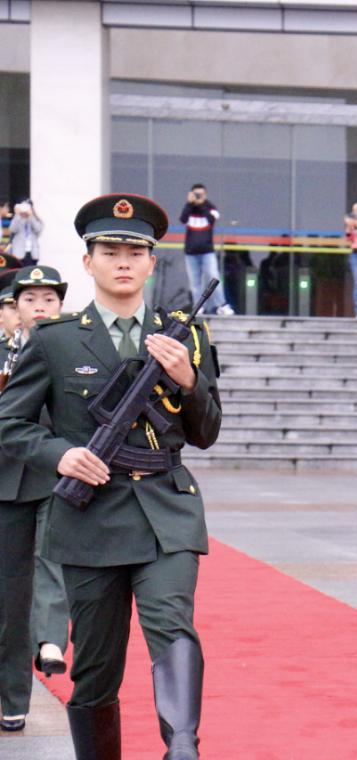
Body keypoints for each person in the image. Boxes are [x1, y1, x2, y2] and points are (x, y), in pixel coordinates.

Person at [0, 193, 222, 758]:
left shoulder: (186, 336)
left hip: (166, 511)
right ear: (88, 262)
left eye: (135, 252)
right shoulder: (54, 340)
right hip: (89, 519)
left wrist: (189, 381)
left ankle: (182, 746)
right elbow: (10, 424)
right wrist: (59, 455)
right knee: (96, 669)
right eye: (110, 251)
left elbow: (206, 432)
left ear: (151, 263)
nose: (123, 262)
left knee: (172, 625)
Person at [0, 266, 71, 734]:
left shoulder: (72, 350)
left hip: (54, 476)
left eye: (49, 299)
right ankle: (11, 698)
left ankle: (50, 642)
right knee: (10, 594)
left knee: (50, 561)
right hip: (6, 481)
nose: (40, 307)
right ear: (14, 308)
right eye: (30, 300)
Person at [178, 185, 233, 316]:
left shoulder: (210, 207)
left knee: (213, 276)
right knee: (194, 282)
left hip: (207, 251)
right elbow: (183, 219)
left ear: (205, 195)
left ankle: (221, 305)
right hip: (191, 252)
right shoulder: (189, 208)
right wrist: (189, 203)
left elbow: (211, 220)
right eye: (196, 194)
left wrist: (202, 204)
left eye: (200, 194)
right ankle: (198, 307)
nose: (198, 196)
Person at [7, 200, 42, 267]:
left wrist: (31, 216)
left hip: (32, 254)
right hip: (19, 253)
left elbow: (38, 230)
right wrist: (17, 215)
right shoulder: (18, 219)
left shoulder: (34, 219)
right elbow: (12, 229)